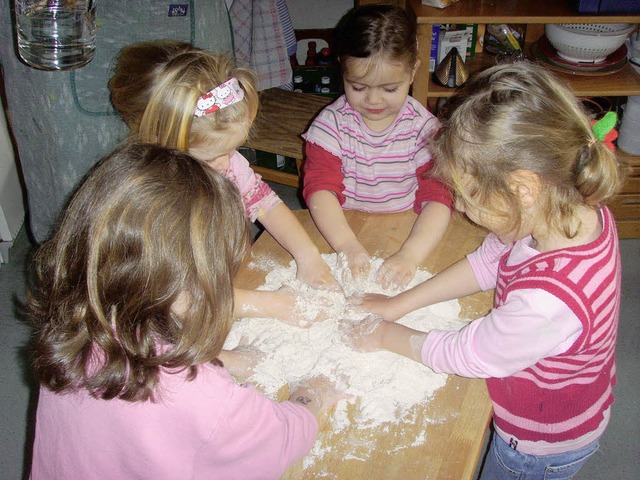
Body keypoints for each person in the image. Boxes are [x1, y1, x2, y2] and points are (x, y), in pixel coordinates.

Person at [346, 61, 625, 479]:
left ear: (523, 189)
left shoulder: (549, 301)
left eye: (468, 193)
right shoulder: (567, 207)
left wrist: (383, 334)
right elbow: (490, 261)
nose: (459, 206)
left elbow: (469, 354)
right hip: (557, 391)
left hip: (538, 442)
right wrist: (398, 304)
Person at [27, 143, 343, 480]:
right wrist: (312, 394)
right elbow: (276, 443)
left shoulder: (77, 325)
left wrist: (228, 358)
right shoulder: (203, 398)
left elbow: (151, 361)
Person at [108, 40, 340, 323]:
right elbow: (181, 301)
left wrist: (308, 255)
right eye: (215, 156)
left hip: (229, 279)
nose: (229, 162)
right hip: (183, 308)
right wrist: (274, 304)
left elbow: (264, 203)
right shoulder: (151, 205)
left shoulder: (225, 161)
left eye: (234, 149)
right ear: (162, 146)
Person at [302, 4, 453, 289]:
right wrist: (347, 245)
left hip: (410, 228)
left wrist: (411, 255)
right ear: (342, 70)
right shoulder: (330, 126)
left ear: (412, 73)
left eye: (389, 89)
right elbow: (320, 189)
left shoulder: (424, 130)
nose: (373, 101)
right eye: (358, 87)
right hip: (340, 226)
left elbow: (439, 197)